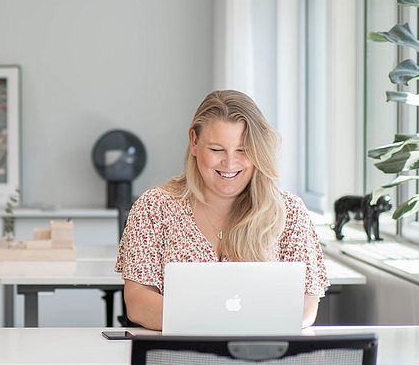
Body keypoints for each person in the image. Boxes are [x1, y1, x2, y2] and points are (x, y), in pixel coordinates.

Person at [114, 90, 329, 331]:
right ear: (194, 142)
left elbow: (305, 304)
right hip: (182, 355)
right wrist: (224, 324)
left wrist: (223, 324)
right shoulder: (154, 207)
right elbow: (139, 303)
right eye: (217, 150)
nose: (229, 163)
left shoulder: (288, 211)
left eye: (243, 150)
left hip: (260, 355)